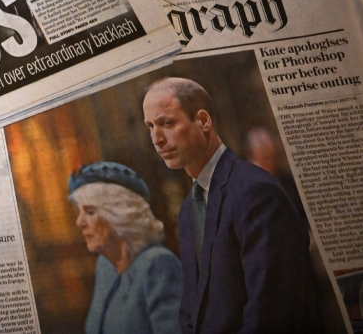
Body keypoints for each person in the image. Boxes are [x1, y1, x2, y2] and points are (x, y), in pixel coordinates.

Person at [141, 77, 319, 333]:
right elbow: (193, 309)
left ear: (203, 121)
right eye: (150, 126)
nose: (156, 138)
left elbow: (271, 314)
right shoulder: (188, 211)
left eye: (167, 123)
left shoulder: (256, 193)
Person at [68, 162, 183, 334]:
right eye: (80, 212)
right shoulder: (105, 267)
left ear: (119, 215)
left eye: (90, 212)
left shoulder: (157, 264)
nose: (80, 222)